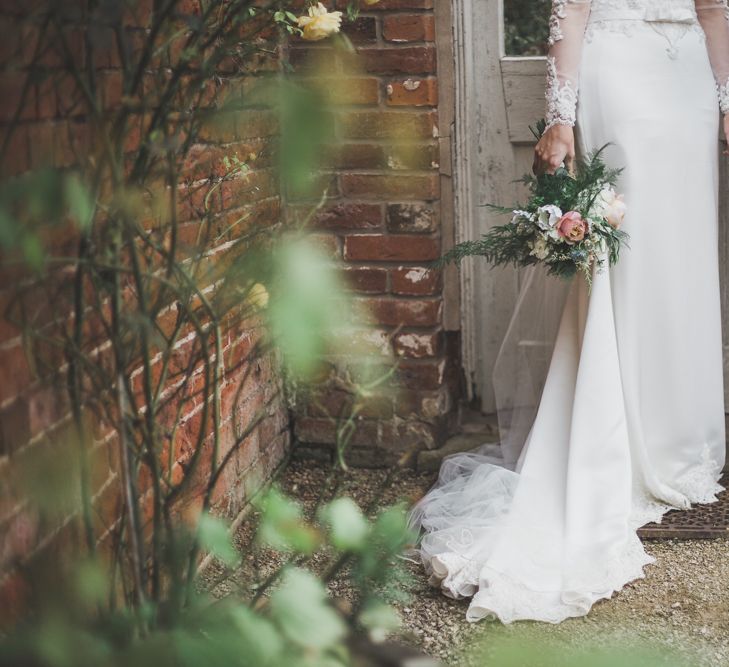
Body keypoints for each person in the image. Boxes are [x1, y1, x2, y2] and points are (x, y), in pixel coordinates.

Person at [410, 0, 729, 624]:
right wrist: (562, 116)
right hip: (618, 71)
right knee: (630, 248)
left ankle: (682, 434)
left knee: (683, 247)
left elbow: (714, 8)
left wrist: (725, 94)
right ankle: (618, 425)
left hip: (688, 71)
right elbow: (571, 10)